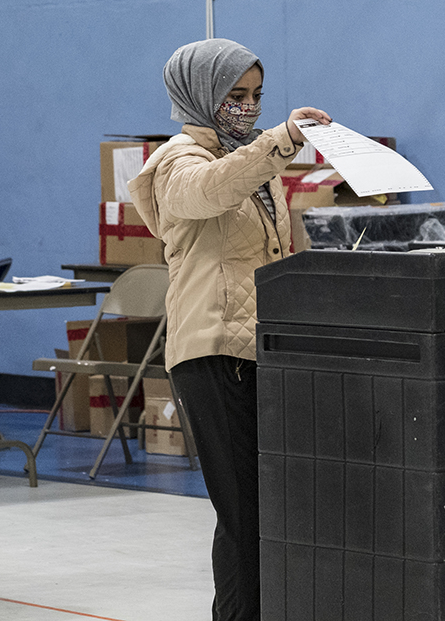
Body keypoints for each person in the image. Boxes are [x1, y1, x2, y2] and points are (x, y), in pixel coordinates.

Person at [128, 38, 330, 621]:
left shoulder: (253, 164)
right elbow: (208, 192)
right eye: (234, 95)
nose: (248, 106)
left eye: (256, 95)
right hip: (214, 352)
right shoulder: (177, 161)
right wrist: (282, 140)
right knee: (244, 513)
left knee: (264, 512)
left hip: (261, 347)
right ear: (199, 95)